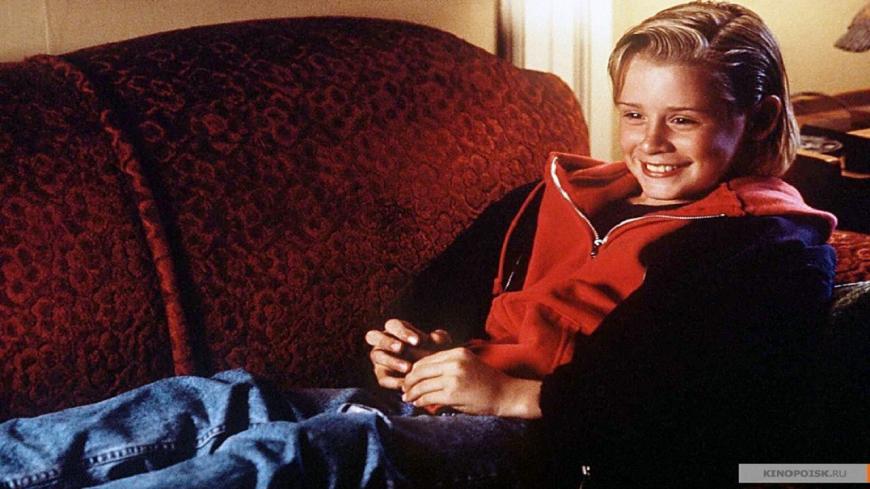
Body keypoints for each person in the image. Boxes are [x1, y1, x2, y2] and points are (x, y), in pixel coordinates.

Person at [0, 2, 841, 488]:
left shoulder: (769, 247)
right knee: (215, 400)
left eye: (683, 120)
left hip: (551, 450)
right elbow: (443, 287)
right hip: (438, 403)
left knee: (312, 454)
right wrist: (412, 339)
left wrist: (512, 394)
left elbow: (696, 410)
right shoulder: (568, 189)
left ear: (758, 117)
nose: (649, 143)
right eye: (633, 114)